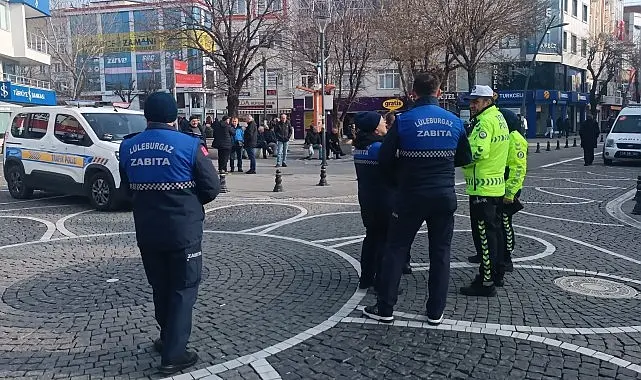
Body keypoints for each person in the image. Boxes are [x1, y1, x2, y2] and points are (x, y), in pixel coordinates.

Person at [118, 92, 220, 375]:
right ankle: (175, 354)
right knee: (183, 289)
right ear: (174, 117)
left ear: (146, 116)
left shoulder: (128, 147)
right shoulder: (189, 145)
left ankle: (166, 340)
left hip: (148, 231)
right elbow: (211, 188)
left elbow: (126, 191)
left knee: (160, 287)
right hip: (183, 232)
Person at [362, 70, 472, 324]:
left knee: (396, 249)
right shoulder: (454, 121)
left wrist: (399, 180)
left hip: (410, 195)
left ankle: (385, 308)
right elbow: (466, 158)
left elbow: (384, 160)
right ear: (439, 93)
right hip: (444, 195)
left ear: (412, 94)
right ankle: (435, 311)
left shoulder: (403, 121)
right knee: (441, 252)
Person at [460, 85, 510, 297]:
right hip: (495, 185)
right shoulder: (499, 118)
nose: (472, 105)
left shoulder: (484, 121)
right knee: (495, 232)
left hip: (482, 186)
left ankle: (485, 281)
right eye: (471, 101)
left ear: (487, 101)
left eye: (476, 101)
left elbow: (478, 151)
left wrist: (459, 157)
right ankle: (497, 273)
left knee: (484, 236)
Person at [352, 112, 390, 291]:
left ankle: (366, 277)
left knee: (371, 237)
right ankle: (382, 280)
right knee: (384, 240)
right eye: (383, 122)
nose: (385, 124)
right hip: (383, 199)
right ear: (376, 129)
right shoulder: (378, 149)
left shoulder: (361, 147)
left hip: (366, 199)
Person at [500, 108, 527, 273]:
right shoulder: (507, 136)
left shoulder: (515, 138)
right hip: (501, 186)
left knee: (505, 223)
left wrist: (510, 193)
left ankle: (507, 256)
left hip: (509, 188)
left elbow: (518, 169)